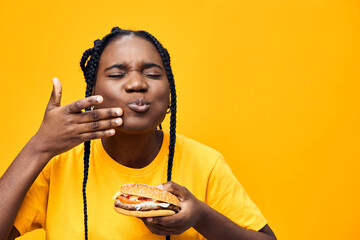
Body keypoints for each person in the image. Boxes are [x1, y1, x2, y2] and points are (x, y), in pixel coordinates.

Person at [0, 27, 277, 240]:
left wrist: (201, 217)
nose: (136, 83)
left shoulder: (205, 164)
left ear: (170, 96)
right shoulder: (59, 164)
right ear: (93, 92)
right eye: (118, 74)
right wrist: (39, 147)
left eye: (153, 74)